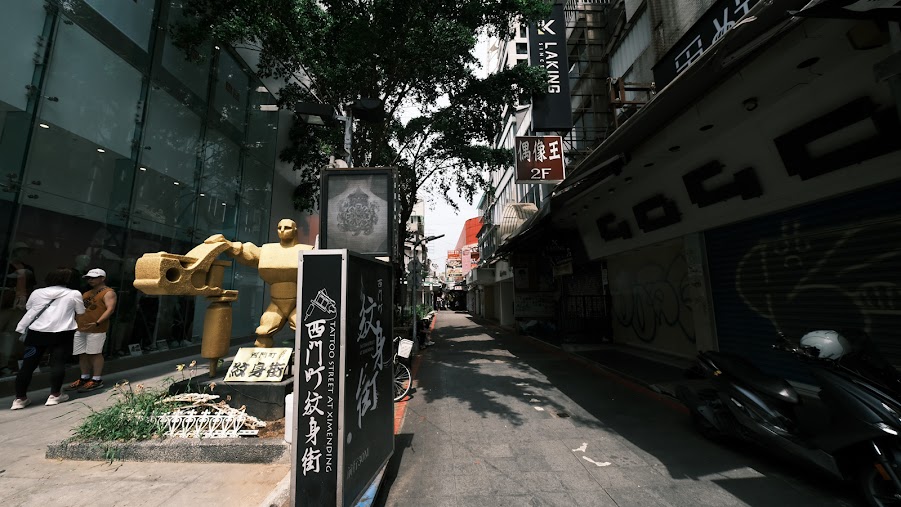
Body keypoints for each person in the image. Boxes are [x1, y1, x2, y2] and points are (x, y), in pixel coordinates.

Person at [204, 219, 314, 347]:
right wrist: (227, 244)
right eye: (279, 228)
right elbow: (247, 252)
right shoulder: (268, 250)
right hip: (276, 303)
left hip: (298, 303)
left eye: (287, 228)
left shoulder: (306, 250)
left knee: (308, 331)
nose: (282, 231)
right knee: (263, 332)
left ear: (295, 231)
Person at [11, 267, 85, 410]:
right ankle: (55, 395)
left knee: (28, 365)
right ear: (69, 280)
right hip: (62, 333)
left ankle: (19, 399)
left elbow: (29, 307)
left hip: (37, 332)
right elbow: (80, 311)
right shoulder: (74, 294)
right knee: (57, 364)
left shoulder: (37, 292)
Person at [66, 268, 117, 392]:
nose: (90, 280)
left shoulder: (108, 292)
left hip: (96, 328)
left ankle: (96, 379)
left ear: (102, 278)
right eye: (89, 278)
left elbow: (110, 309)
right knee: (82, 353)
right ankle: (84, 377)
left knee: (95, 353)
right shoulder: (87, 293)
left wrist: (97, 322)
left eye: (94, 277)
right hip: (81, 327)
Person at [0, 242, 37, 375]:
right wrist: (11, 277)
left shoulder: (28, 268)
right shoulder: (3, 265)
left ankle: (4, 364)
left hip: (19, 304)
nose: (23, 254)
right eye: (22, 250)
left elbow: (31, 286)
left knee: (11, 334)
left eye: (25, 251)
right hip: (4, 303)